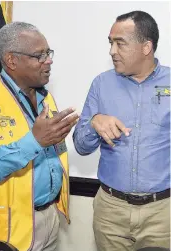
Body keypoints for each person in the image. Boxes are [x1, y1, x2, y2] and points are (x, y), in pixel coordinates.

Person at [73, 10, 170, 251]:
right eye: (110, 43)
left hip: (163, 213)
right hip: (110, 212)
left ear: (146, 47)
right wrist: (94, 122)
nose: (112, 51)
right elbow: (81, 146)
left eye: (120, 43)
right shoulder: (101, 84)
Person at [0, 22, 79, 251]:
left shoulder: (46, 99)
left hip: (50, 218)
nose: (49, 60)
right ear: (12, 60)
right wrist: (34, 142)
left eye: (48, 53)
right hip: (7, 231)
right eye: (39, 55)